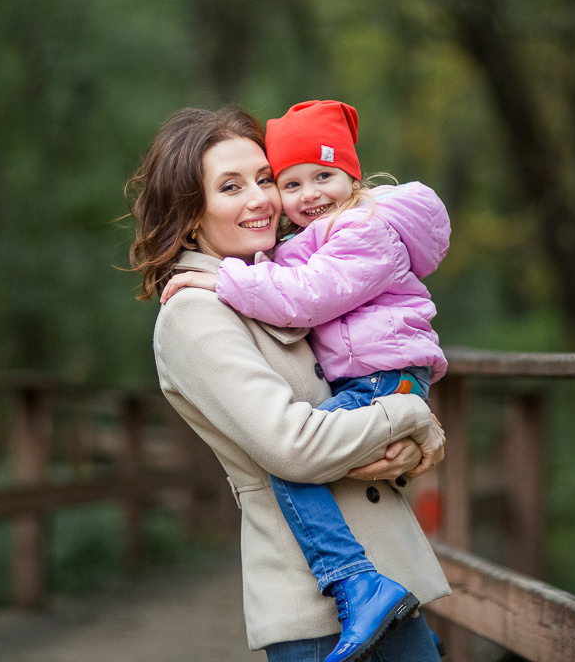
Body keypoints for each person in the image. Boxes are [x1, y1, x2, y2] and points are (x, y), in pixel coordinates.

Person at [126, 105, 450, 662]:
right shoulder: (195, 312)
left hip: (394, 578)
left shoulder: (286, 280)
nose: (261, 199)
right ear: (190, 212)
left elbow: (363, 381)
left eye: (265, 178)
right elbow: (294, 447)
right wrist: (411, 416)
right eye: (231, 186)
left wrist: (409, 444)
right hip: (321, 609)